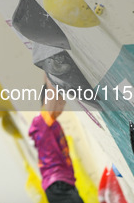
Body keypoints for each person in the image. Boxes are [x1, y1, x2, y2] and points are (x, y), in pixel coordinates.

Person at [29, 75, 84, 203]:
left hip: (63, 183)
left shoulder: (53, 124)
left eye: (63, 104)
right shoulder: (42, 121)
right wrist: (49, 65)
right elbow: (50, 87)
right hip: (57, 183)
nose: (61, 108)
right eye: (59, 103)